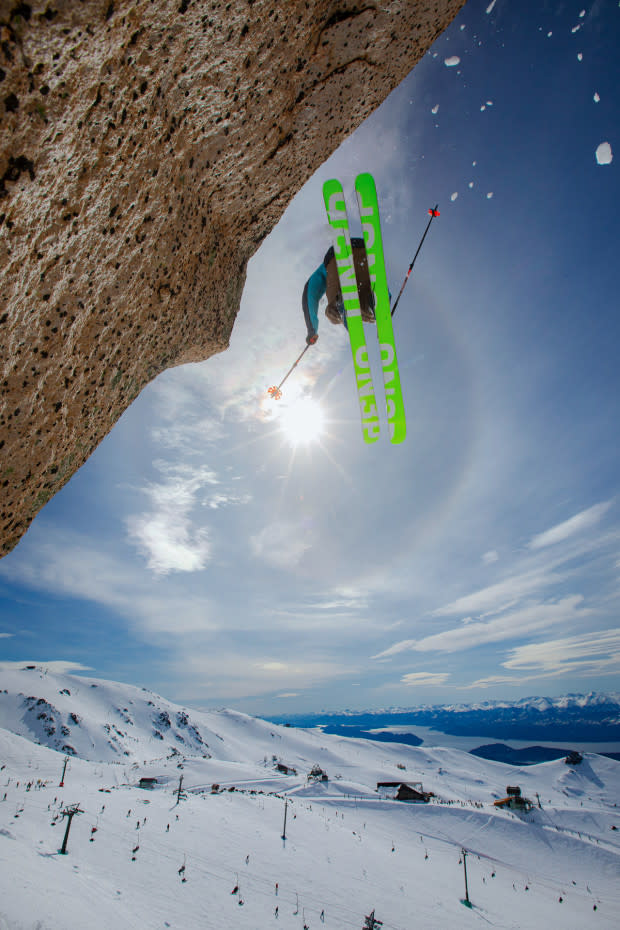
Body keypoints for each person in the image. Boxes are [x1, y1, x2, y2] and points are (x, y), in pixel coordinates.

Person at [302, 237, 376, 345]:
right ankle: (371, 303)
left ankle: (341, 305)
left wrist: (312, 330)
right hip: (365, 252)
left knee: (332, 311)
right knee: (365, 300)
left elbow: (310, 293)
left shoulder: (323, 269)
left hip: (336, 259)